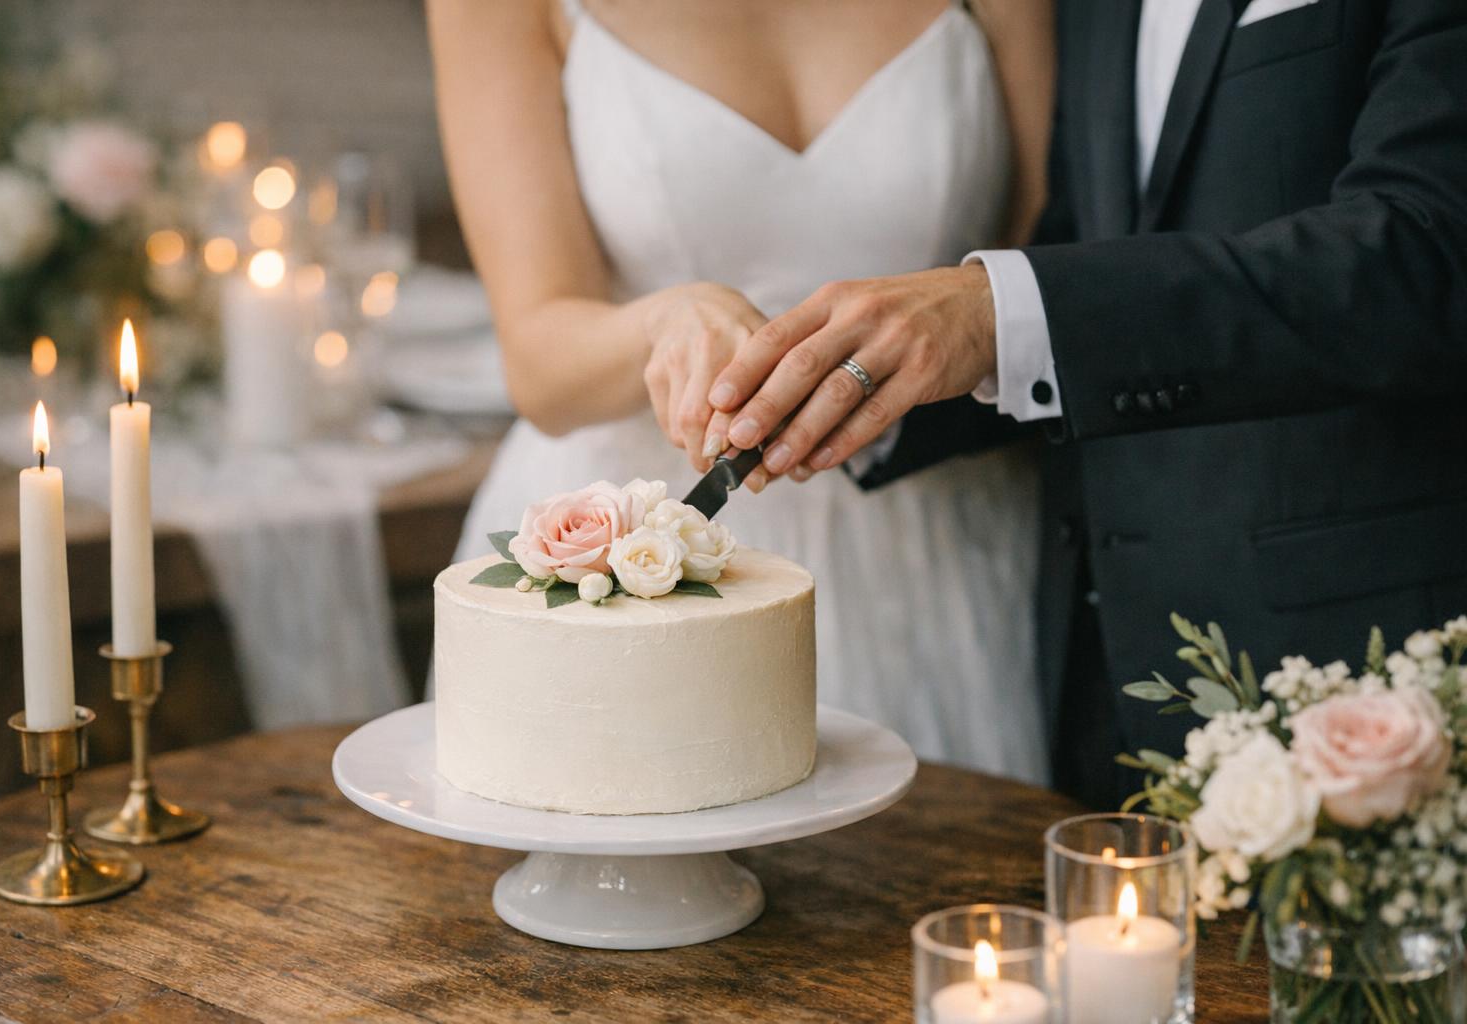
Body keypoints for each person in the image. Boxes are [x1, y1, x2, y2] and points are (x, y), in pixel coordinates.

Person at [704, 0, 1467, 809]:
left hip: (1356, 662)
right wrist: (843, 386)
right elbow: (1083, 240)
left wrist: (991, 309)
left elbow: (1428, 252)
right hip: (1098, 662)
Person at [426, 0, 1054, 778]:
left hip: (942, 531)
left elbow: (1047, 263)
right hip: (650, 533)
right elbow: (539, 361)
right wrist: (662, 321)